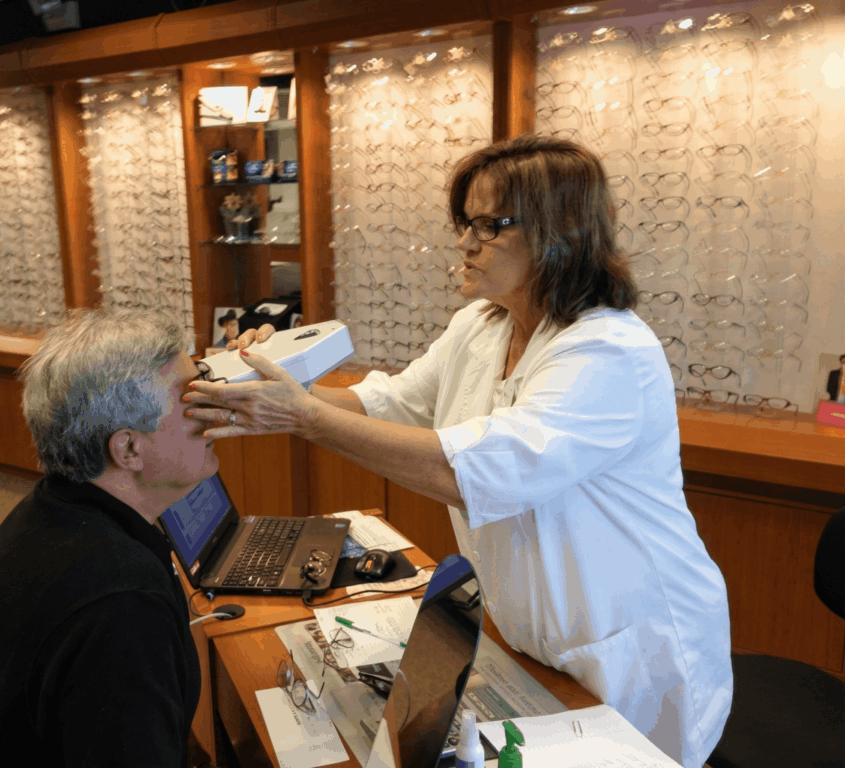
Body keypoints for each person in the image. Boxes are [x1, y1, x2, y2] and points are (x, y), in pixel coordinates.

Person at [187, 135, 733, 768]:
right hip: (532, 634)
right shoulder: (482, 323)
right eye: (464, 224)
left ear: (562, 230)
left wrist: (303, 417)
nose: (466, 244)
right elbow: (390, 402)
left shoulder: (608, 352)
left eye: (489, 225)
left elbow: (471, 468)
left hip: (627, 646)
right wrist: (267, 390)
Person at [0, 308, 215, 767]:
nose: (212, 411)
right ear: (128, 449)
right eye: (190, 399)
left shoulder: (51, 513)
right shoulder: (121, 600)